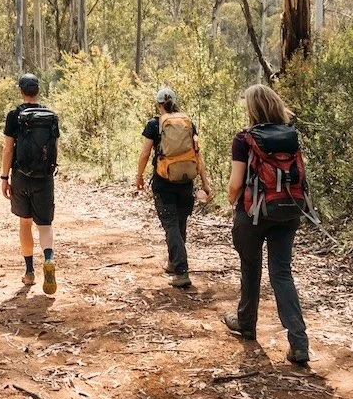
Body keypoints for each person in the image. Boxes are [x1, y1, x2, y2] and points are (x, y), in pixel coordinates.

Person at [223, 83, 311, 364]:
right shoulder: (291, 136)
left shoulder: (244, 139)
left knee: (250, 266)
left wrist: (231, 201)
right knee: (282, 273)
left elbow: (236, 183)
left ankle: (246, 323)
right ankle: (298, 342)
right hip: (289, 209)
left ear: (252, 109)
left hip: (254, 212)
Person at [132, 87, 211, 288]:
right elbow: (197, 154)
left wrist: (139, 176)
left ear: (158, 104)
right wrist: (205, 182)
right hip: (186, 180)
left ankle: (181, 271)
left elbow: (145, 154)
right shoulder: (188, 123)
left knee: (171, 225)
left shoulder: (154, 124)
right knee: (179, 223)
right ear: (175, 102)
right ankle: (173, 262)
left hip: (164, 181)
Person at [1, 73, 61, 293]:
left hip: (21, 176)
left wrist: (4, 177)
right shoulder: (51, 116)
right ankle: (49, 258)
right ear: (38, 91)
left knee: (25, 223)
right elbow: (54, 146)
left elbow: (8, 148)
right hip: (44, 178)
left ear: (21, 91)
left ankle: (29, 272)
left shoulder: (14, 115)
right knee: (45, 224)